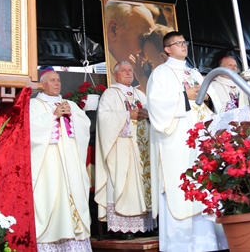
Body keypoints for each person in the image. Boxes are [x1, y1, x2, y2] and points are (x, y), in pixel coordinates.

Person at [147, 31, 227, 252]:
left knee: (205, 186)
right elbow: (156, 106)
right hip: (177, 144)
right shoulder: (160, 74)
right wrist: (184, 96)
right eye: (178, 43)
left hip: (201, 142)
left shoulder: (194, 73)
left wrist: (208, 97)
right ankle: (180, 245)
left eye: (184, 42)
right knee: (182, 189)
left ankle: (210, 243)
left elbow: (214, 99)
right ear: (167, 49)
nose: (184, 45)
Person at [30, 68, 92, 251]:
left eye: (58, 80)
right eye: (52, 80)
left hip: (71, 161)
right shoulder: (34, 105)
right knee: (50, 196)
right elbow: (31, 129)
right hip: (49, 162)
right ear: (42, 84)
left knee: (74, 194)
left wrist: (72, 118)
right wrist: (53, 116)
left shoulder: (70, 104)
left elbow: (85, 125)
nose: (57, 83)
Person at [95, 61, 155, 239]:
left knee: (143, 185)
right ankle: (123, 228)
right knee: (124, 183)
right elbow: (104, 118)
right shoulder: (110, 93)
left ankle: (145, 225)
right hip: (122, 147)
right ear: (115, 75)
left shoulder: (139, 94)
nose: (128, 73)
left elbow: (152, 114)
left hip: (142, 147)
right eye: (123, 70)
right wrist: (129, 115)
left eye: (130, 70)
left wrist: (148, 115)